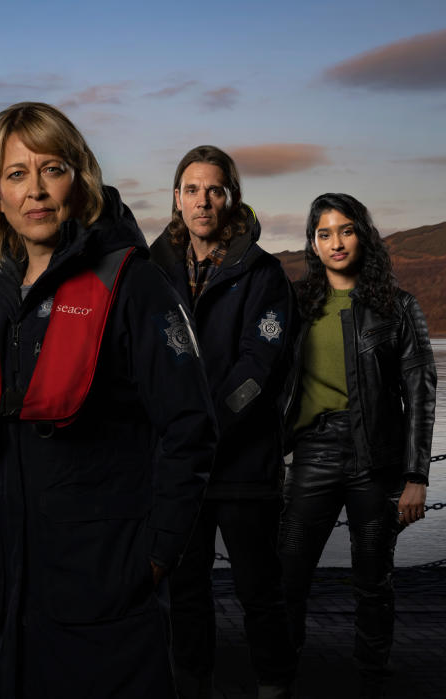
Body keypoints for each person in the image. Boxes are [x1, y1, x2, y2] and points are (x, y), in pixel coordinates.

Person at [0, 102, 217, 698]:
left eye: (53, 169)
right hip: (1, 587)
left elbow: (191, 426)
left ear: (81, 177)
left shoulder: (133, 283)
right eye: (16, 174)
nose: (35, 191)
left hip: (103, 581)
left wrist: (157, 555)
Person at [149, 146, 298, 699]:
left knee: (259, 589)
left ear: (231, 197)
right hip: (178, 469)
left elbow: (257, 370)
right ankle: (193, 687)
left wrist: (203, 426)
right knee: (185, 590)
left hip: (243, 467)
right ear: (177, 199)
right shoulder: (153, 271)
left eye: (214, 189)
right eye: (191, 189)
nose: (202, 201)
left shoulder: (263, 274)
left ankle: (276, 685)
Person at [278, 193, 436, 698]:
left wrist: (417, 476)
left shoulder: (398, 306)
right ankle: (280, 669)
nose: (336, 242)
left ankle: (372, 671)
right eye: (324, 234)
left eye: (345, 230)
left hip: (378, 458)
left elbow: (420, 392)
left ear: (362, 235)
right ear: (313, 244)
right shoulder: (296, 304)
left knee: (374, 578)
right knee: (289, 573)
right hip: (313, 453)